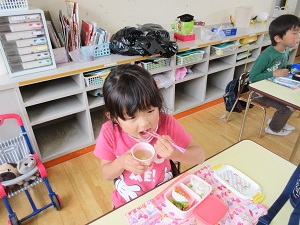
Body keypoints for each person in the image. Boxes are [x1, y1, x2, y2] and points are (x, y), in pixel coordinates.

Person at [94, 64, 205, 208]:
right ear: (114, 118)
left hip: (166, 198)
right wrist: (121, 163)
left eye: (150, 111)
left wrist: (176, 154)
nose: (145, 123)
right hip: (127, 204)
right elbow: (106, 174)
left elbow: (200, 156)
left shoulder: (166, 123)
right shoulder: (109, 132)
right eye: (132, 117)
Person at [249, 14, 300, 136]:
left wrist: (292, 69)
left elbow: (283, 67)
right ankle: (273, 128)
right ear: (278, 38)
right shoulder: (267, 55)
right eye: (295, 33)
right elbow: (253, 78)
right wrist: (274, 73)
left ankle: (278, 121)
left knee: (293, 100)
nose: (298, 36)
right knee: (287, 107)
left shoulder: (286, 50)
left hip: (274, 87)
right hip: (259, 92)